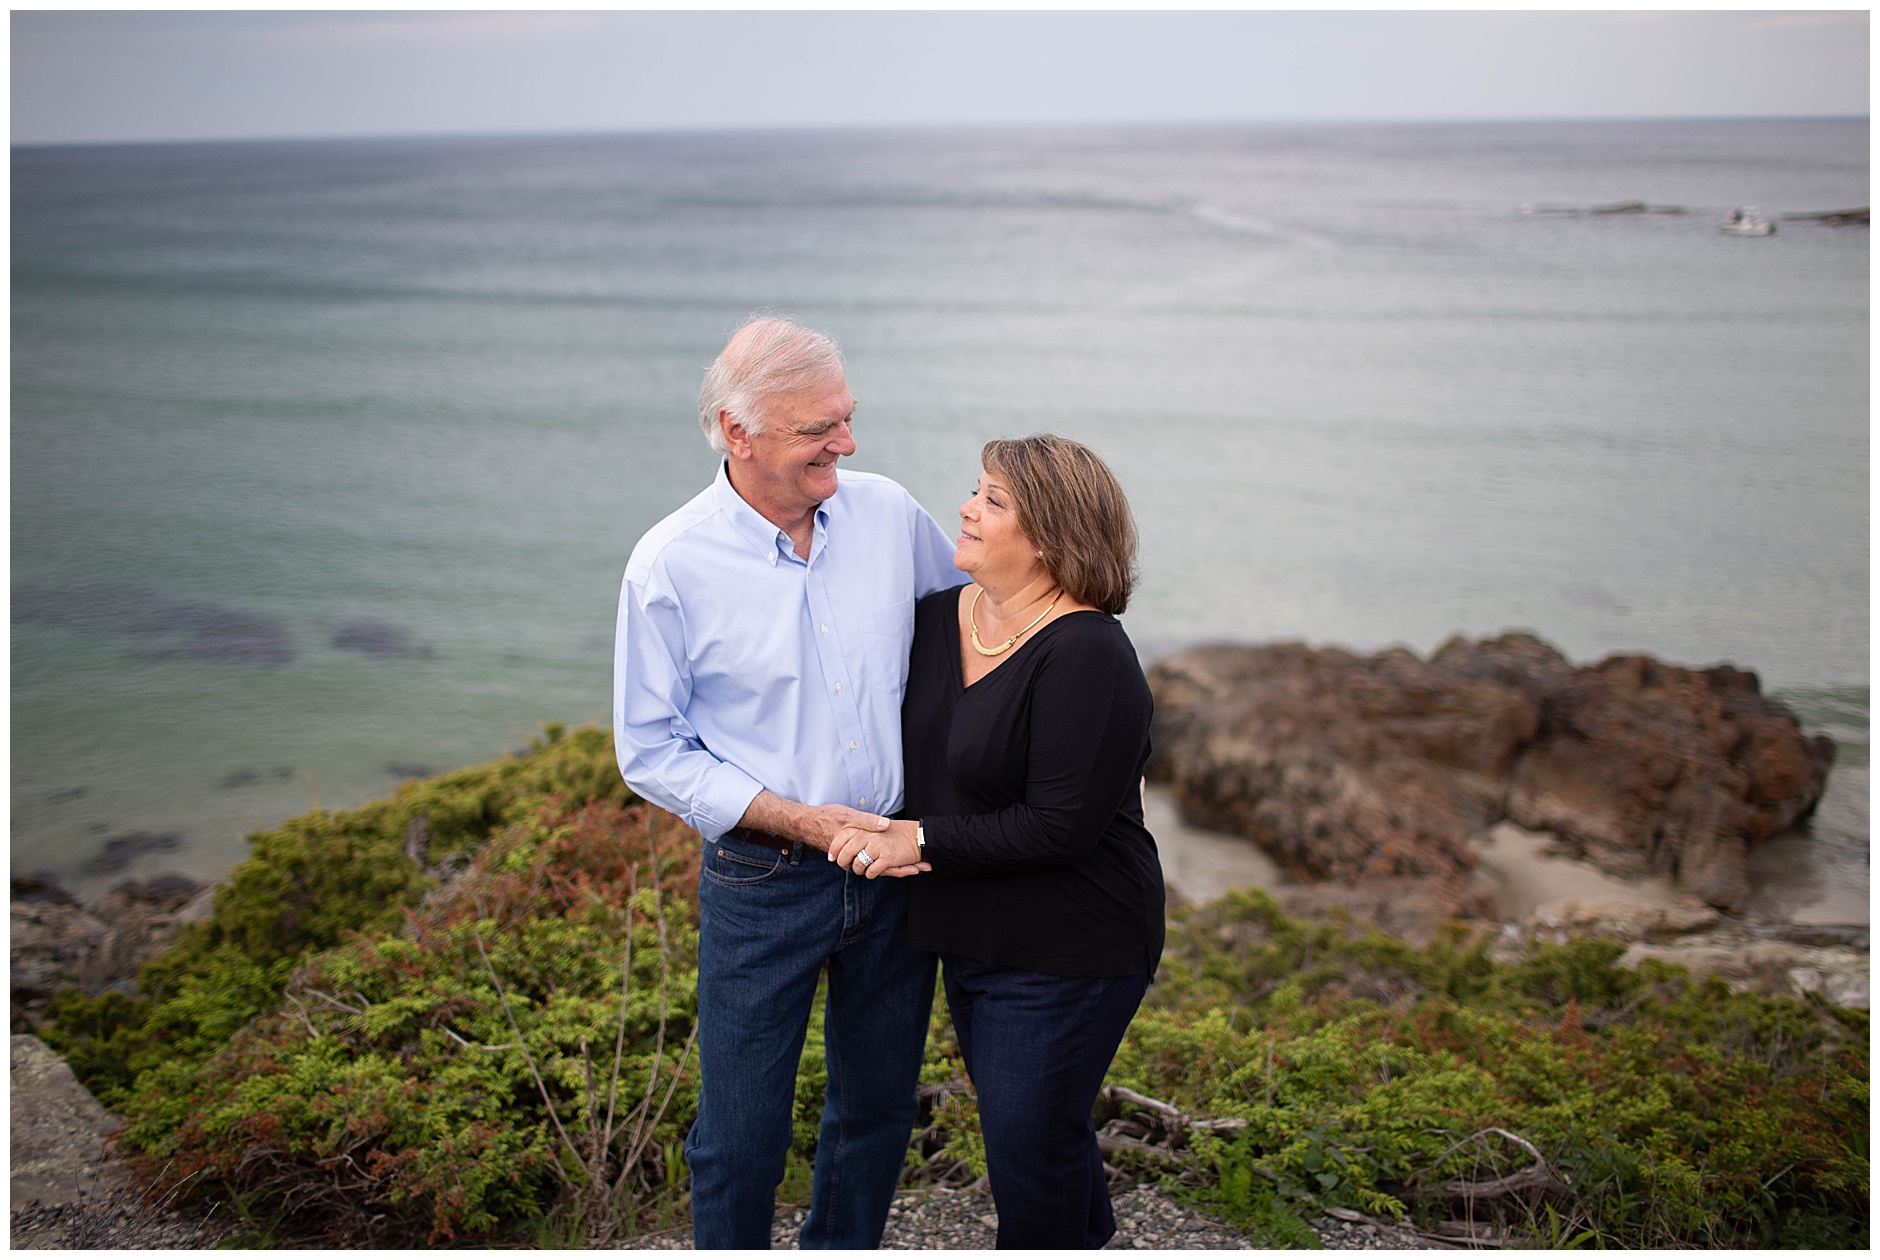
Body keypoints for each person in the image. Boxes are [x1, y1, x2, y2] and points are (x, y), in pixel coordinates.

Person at [613, 316, 965, 1249]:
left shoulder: (888, 513)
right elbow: (650, 749)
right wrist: (803, 823)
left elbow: (978, 632)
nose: (845, 445)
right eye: (820, 429)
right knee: (738, 1136)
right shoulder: (669, 566)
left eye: (846, 420)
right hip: (763, 881)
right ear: (739, 432)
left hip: (897, 865)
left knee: (880, 1111)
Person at [830, 434, 1164, 1250]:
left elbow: (1060, 825)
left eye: (993, 501)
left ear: (1049, 536)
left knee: (1027, 1145)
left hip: (1072, 944)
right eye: (974, 491)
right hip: (973, 934)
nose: (966, 509)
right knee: (1039, 1136)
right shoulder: (939, 618)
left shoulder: (1088, 653)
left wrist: (918, 840)